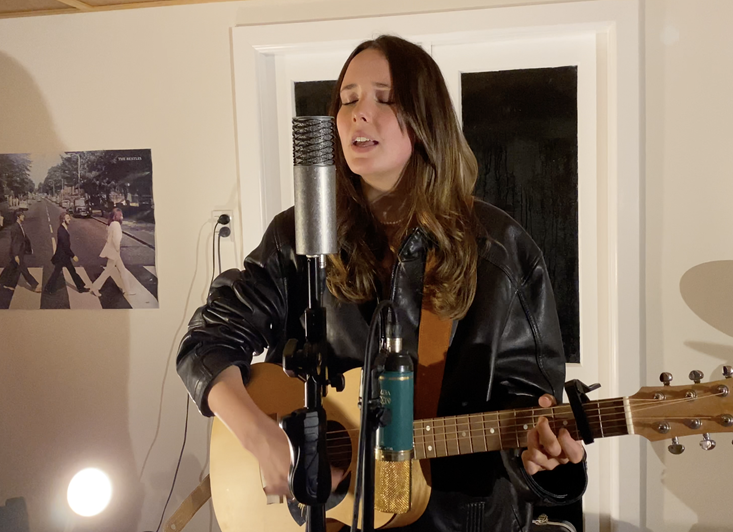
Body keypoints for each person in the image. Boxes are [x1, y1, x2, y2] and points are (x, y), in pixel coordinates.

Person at [176, 35, 586, 532]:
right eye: (346, 100)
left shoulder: (499, 249)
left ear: (427, 121)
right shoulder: (297, 236)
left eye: (384, 99)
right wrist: (263, 438)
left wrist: (543, 458)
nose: (357, 113)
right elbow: (207, 343)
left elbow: (532, 411)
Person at [90, 208, 134, 297]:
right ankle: (95, 288)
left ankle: (128, 290)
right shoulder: (116, 225)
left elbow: (107, 237)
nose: (122, 216)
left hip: (112, 250)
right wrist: (117, 249)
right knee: (108, 271)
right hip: (114, 251)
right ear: (115, 216)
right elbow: (116, 239)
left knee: (122, 270)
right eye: (120, 215)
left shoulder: (110, 224)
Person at [46, 212, 89, 294]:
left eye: (69, 218)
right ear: (63, 220)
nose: (70, 220)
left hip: (64, 256)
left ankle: (80, 287)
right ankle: (48, 288)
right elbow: (65, 246)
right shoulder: (61, 230)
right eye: (68, 218)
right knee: (56, 273)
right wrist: (73, 256)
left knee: (72, 271)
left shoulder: (64, 228)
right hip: (62, 256)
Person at [0, 210, 40, 293]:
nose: (24, 216)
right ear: (18, 217)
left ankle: (6, 283)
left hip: (20, 251)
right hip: (17, 252)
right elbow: (15, 242)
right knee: (23, 268)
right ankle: (34, 285)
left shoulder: (19, 226)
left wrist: (28, 249)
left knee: (11, 267)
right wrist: (16, 255)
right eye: (22, 215)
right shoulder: (14, 228)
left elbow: (24, 238)